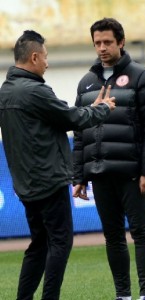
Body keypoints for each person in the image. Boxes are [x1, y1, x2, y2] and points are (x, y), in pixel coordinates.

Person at [0, 30, 116, 300]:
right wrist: (102, 109)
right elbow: (71, 118)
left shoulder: (6, 91)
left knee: (39, 244)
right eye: (46, 58)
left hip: (25, 182)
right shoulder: (34, 91)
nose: (48, 63)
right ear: (34, 56)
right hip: (48, 180)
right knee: (60, 242)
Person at [73, 18, 145, 300]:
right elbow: (80, 133)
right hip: (100, 173)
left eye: (107, 42)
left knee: (141, 233)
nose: (101, 48)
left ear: (121, 42)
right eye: (97, 43)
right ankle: (122, 294)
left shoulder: (142, 77)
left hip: (132, 173)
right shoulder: (86, 83)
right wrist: (79, 176)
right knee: (112, 237)